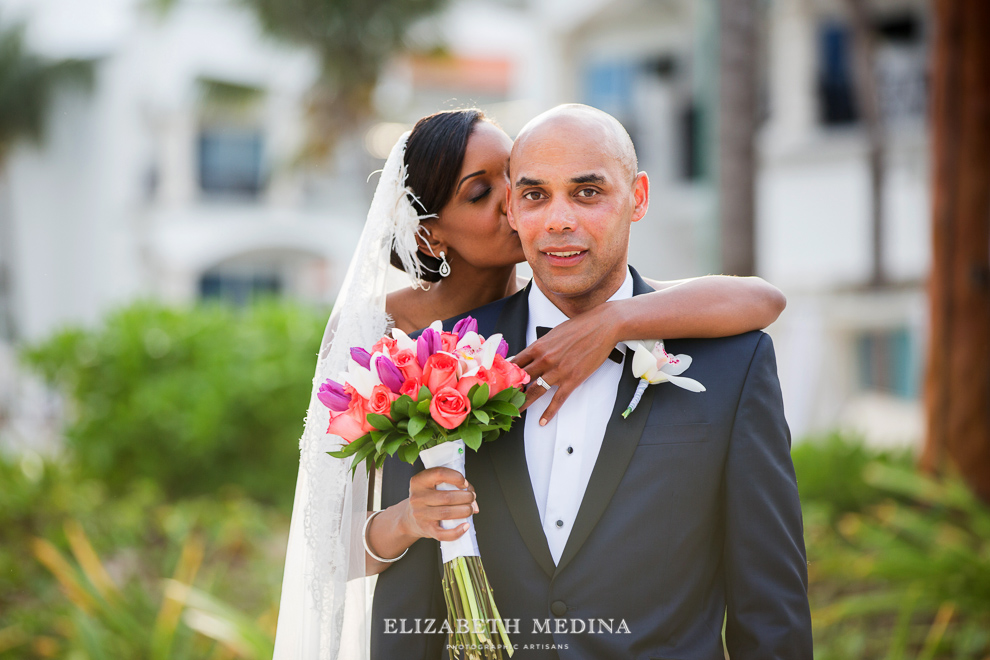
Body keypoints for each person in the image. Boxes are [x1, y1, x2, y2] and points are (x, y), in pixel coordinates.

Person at [273, 108, 789, 660]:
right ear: (431, 236)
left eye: (584, 191)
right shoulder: (412, 353)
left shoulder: (713, 347)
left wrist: (610, 322)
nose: (526, 209)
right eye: (522, 192)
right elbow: (335, 549)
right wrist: (406, 519)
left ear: (636, 197)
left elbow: (763, 299)